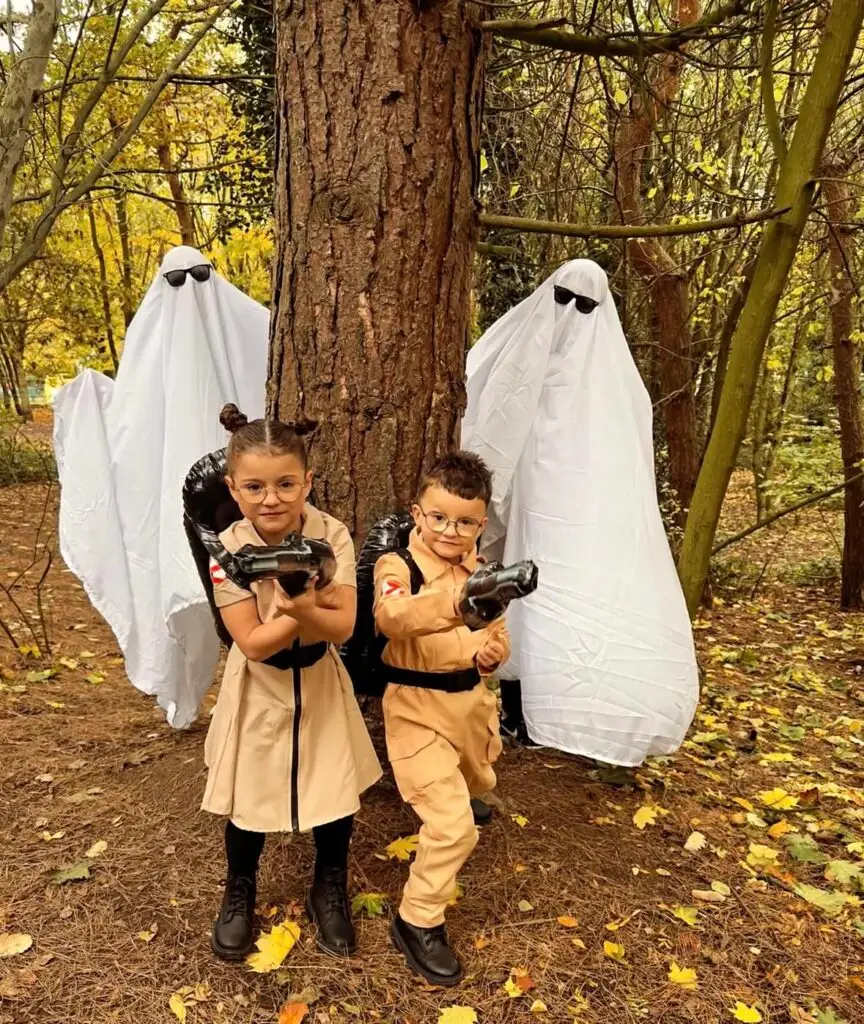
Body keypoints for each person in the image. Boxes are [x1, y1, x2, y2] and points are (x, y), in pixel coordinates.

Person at [461, 259, 698, 765]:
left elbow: (629, 459)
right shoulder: (521, 361)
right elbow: (495, 419)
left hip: (582, 521)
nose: (573, 313)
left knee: (560, 612)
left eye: (586, 305)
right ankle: (517, 710)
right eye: (564, 299)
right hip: (531, 506)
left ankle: (568, 715)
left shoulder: (617, 385)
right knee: (522, 602)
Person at [53, 246, 269, 729]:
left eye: (198, 277)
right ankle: (205, 697)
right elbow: (128, 436)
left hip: (251, 505)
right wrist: (84, 404)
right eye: (176, 281)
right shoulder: (150, 362)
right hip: (178, 511)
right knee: (198, 595)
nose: (188, 292)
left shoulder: (250, 332)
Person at [202, 405, 381, 961]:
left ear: (307, 482)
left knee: (334, 788)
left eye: (285, 484)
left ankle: (329, 882)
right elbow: (252, 643)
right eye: (254, 486)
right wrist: (302, 609)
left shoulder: (332, 534)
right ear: (234, 488)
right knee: (248, 793)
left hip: (320, 678)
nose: (271, 499)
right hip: (258, 686)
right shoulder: (227, 550)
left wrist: (300, 608)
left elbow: (344, 627)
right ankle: (240, 886)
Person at [374, 452, 508, 987]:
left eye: (465, 522)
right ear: (417, 513)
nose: (451, 531)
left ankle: (464, 794)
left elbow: (497, 632)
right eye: (438, 517)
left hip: (470, 706)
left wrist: (493, 653)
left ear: (481, 524)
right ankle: (418, 920)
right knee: (454, 827)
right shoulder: (398, 568)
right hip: (416, 708)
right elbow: (392, 617)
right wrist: (456, 601)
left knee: (477, 783)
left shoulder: (483, 570)